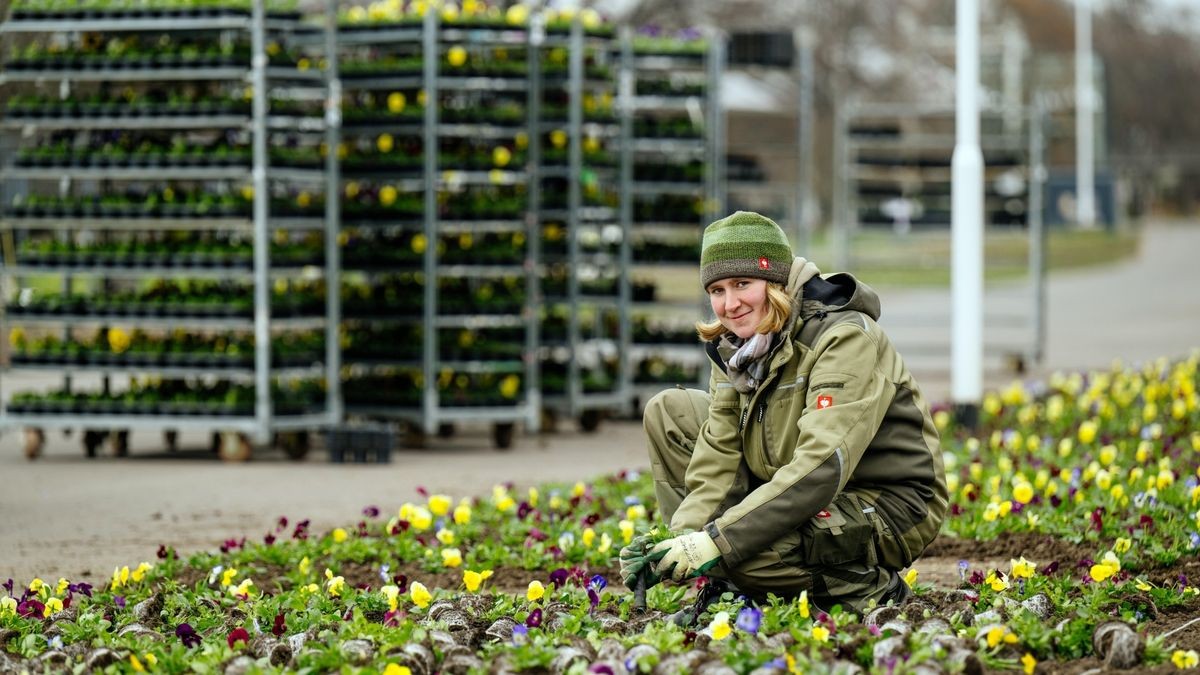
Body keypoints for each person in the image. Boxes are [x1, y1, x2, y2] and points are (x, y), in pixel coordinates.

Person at [620, 211, 948, 620]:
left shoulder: (842, 337)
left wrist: (718, 542)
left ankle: (869, 590)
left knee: (745, 553)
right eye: (717, 290)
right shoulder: (735, 347)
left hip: (886, 503)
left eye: (743, 284)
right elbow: (717, 457)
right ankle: (733, 588)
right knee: (670, 412)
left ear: (775, 282)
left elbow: (823, 465)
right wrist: (679, 539)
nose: (730, 303)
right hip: (798, 481)